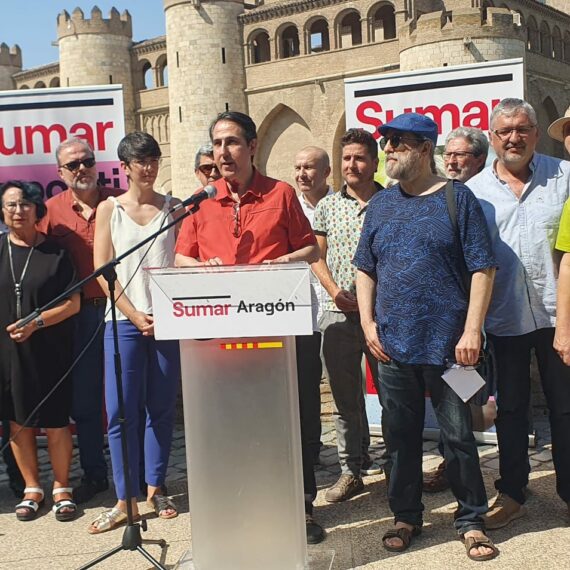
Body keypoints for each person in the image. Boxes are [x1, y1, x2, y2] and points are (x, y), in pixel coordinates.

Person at [354, 113, 498, 561]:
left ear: (423, 148)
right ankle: (406, 516)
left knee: (458, 437)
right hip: (392, 346)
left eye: (397, 141)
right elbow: (364, 267)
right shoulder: (381, 204)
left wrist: (472, 329)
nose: (388, 149)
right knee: (400, 438)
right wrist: (368, 324)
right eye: (386, 141)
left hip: (451, 347)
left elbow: (483, 267)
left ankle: (471, 520)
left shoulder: (458, 198)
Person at [175, 111, 324, 544]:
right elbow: (182, 257)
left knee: (292, 419)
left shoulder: (280, 193)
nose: (223, 152)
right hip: (223, 337)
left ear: (253, 147)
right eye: (217, 144)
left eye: (232, 142)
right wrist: (203, 266)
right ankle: (242, 507)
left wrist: (283, 260)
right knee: (235, 421)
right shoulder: (201, 201)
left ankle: (300, 506)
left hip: (279, 333)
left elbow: (310, 250)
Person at [468, 98, 570, 529]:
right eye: (505, 131)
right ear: (492, 138)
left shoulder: (564, 177)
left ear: (536, 133)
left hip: (557, 317)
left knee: (565, 409)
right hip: (503, 318)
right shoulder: (474, 192)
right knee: (510, 409)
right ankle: (512, 492)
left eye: (523, 129)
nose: (514, 138)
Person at [90, 132, 183, 533]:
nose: (149, 168)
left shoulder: (174, 208)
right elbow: (102, 271)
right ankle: (124, 498)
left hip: (166, 320)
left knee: (160, 408)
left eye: (154, 159)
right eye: (141, 161)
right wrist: (132, 313)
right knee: (121, 412)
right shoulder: (109, 209)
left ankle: (155, 488)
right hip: (123, 322)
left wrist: (166, 311)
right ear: (125, 167)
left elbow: (181, 259)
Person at [37, 137, 123, 504]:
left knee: (127, 397)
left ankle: (139, 475)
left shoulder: (121, 200)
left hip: (123, 310)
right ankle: (95, 473)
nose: (81, 168)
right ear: (61, 173)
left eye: (86, 161)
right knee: (86, 401)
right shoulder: (51, 211)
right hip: (80, 315)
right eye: (72, 165)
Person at [0, 180, 80, 522]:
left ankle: (61, 486)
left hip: (50, 348)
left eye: (25, 204)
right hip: (7, 352)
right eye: (11, 204)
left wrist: (36, 323)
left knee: (56, 421)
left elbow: (73, 303)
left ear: (37, 210)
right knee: (18, 421)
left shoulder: (56, 252)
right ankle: (32, 488)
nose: (18, 211)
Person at [312, 128, 383, 504]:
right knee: (344, 401)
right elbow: (316, 256)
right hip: (336, 315)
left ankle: (398, 466)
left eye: (359, 158)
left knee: (392, 396)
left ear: (374, 162)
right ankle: (351, 470)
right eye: (346, 158)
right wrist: (334, 292)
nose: (351, 165)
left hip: (383, 318)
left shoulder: (392, 202)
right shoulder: (327, 206)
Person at [424, 126, 490, 494]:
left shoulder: (485, 194)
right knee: (456, 399)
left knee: (478, 399)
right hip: (448, 323)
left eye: (459, 154)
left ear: (479, 158)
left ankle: (475, 474)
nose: (450, 161)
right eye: (447, 154)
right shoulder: (439, 194)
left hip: (485, 318)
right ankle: (452, 464)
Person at [294, 146, 333, 465]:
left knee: (344, 388)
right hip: (302, 313)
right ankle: (310, 450)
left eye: (308, 167)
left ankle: (357, 454)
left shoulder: (340, 205)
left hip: (337, 306)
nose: (301, 174)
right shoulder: (289, 208)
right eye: (297, 168)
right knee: (306, 387)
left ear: (326, 173)